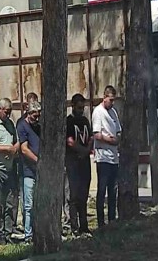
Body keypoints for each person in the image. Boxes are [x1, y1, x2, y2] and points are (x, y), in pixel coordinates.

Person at [0, 98, 19, 245]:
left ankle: (8, 232)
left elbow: (16, 140)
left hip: (11, 168)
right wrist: (7, 148)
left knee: (10, 202)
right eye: (6, 112)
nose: (8, 114)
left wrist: (15, 148)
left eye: (10, 112)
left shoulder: (10, 123)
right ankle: (0, 233)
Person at [92, 86, 122, 228]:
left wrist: (117, 139)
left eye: (113, 100)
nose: (112, 103)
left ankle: (111, 219)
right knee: (102, 189)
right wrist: (109, 140)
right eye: (110, 100)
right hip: (103, 157)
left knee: (113, 189)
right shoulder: (98, 112)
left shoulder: (113, 112)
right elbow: (97, 134)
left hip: (114, 157)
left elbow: (118, 131)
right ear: (104, 97)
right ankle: (101, 222)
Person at [66, 94, 93, 236]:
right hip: (73, 162)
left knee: (84, 195)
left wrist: (88, 149)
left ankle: (84, 226)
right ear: (73, 106)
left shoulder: (84, 120)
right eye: (79, 108)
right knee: (74, 195)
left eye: (83, 108)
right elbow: (70, 141)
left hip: (85, 162)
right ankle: (74, 227)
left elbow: (90, 137)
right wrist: (82, 150)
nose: (81, 110)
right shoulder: (69, 122)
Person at [18, 101, 41, 243]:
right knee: (29, 204)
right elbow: (24, 149)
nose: (36, 119)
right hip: (28, 170)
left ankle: (38, 231)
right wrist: (38, 161)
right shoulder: (22, 126)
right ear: (28, 113)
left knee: (39, 203)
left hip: (39, 171)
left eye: (38, 116)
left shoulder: (38, 127)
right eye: (34, 116)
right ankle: (28, 234)